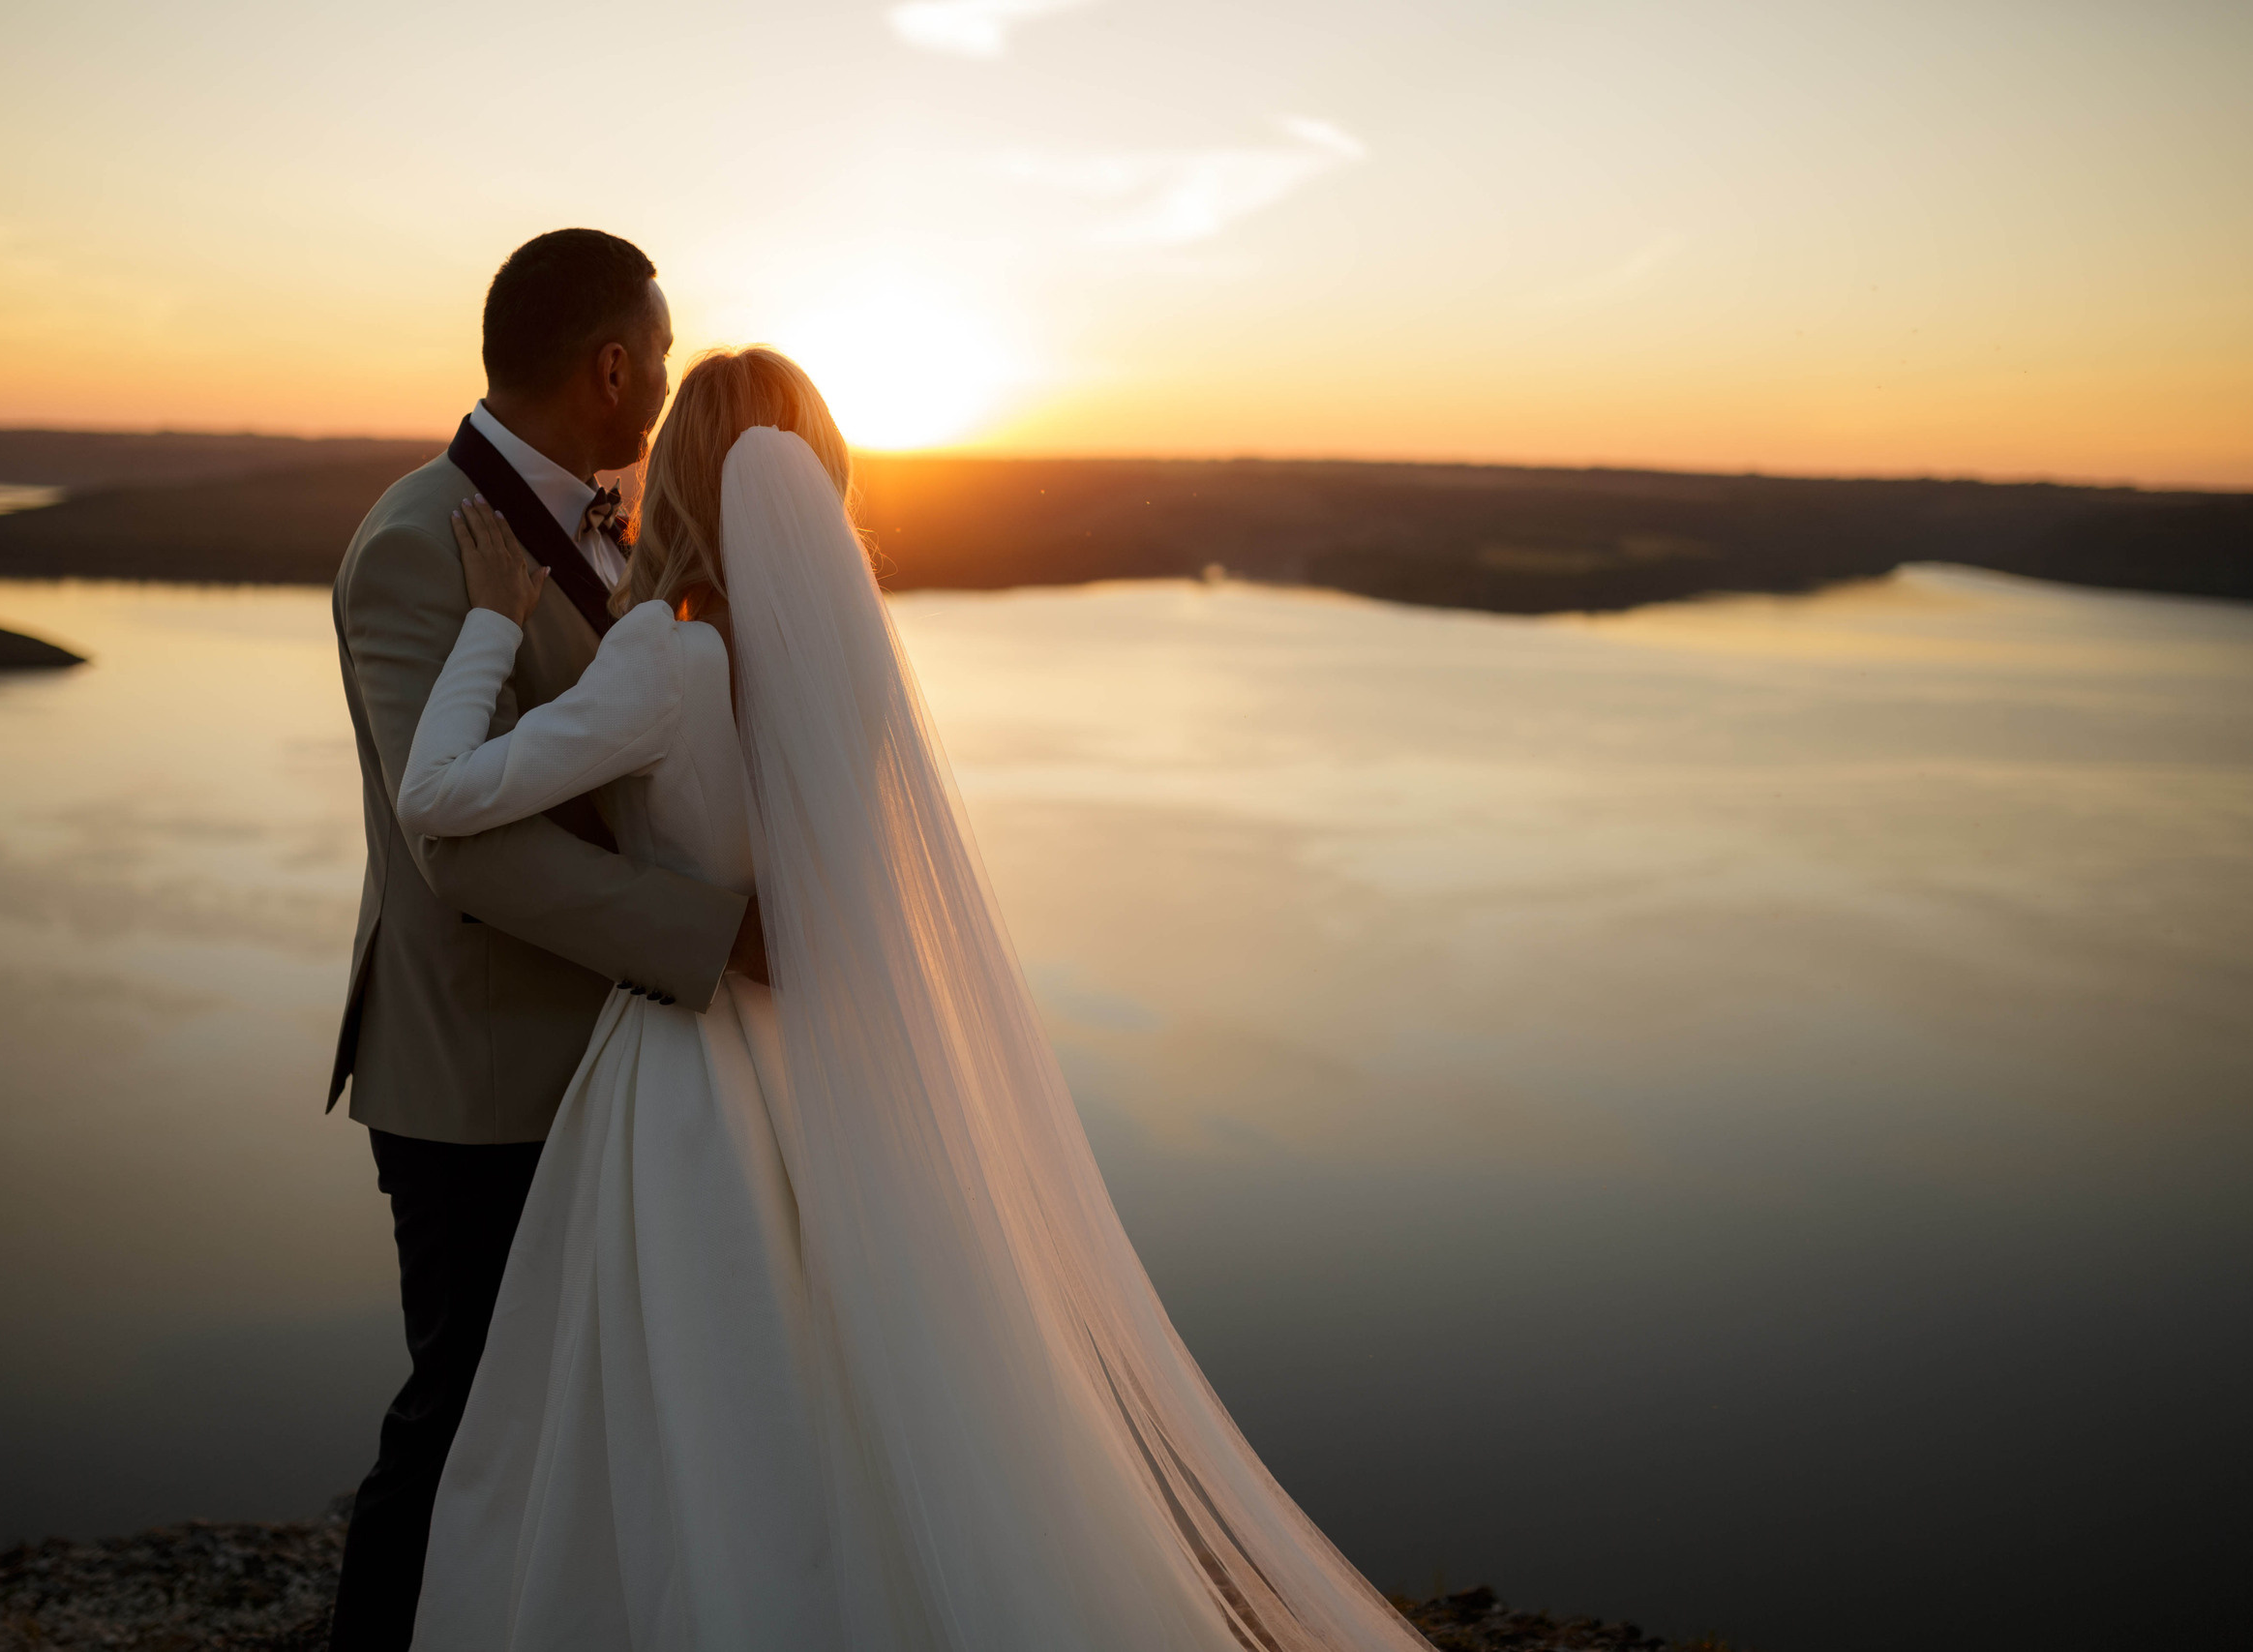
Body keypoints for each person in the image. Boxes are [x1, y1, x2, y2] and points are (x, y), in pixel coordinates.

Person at [392, 344, 1431, 1651]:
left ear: (688, 474)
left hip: (684, 1073)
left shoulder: (667, 657)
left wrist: (493, 616)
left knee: (688, 1394)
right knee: (833, 1384)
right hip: (820, 1066)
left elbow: (436, 796)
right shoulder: (842, 665)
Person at [323, 228, 765, 1652]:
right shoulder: (413, 541)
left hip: (605, 1056)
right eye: (666, 339)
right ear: (615, 364)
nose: (673, 361)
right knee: (466, 1409)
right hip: (481, 1072)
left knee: (589, 1406)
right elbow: (458, 846)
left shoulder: (612, 521)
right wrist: (710, 933)